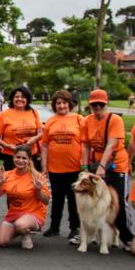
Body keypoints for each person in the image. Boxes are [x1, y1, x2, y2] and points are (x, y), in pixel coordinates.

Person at [81, 88, 133, 246]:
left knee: (119, 201)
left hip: (116, 164)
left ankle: (126, 235)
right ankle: (96, 233)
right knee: (95, 199)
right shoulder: (88, 120)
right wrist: (84, 166)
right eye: (94, 104)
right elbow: (85, 145)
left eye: (100, 104)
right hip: (97, 162)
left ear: (106, 104)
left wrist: (102, 166)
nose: (97, 107)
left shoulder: (115, 120)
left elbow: (111, 145)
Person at [41, 90, 84, 243]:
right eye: (58, 103)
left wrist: (84, 165)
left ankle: (75, 228)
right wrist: (44, 166)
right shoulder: (51, 121)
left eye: (64, 103)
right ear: (55, 105)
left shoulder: (79, 119)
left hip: (74, 167)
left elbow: (85, 143)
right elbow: (45, 145)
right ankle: (54, 226)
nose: (61, 106)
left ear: (69, 104)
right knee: (57, 199)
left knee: (74, 200)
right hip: (55, 168)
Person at [0, 146, 50, 250]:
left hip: (33, 213)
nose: (20, 160)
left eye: (24, 158)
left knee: (21, 224)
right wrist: (0, 184)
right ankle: (17, 230)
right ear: (13, 158)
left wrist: (38, 190)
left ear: (29, 160)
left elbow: (46, 201)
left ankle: (25, 234)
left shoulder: (36, 176)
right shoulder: (7, 175)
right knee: (1, 242)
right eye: (18, 157)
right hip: (14, 213)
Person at [0, 86, 43, 170]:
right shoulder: (4, 114)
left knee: (31, 181)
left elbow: (40, 132)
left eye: (23, 97)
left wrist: (34, 139)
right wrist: (6, 146)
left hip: (31, 155)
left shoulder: (33, 112)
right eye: (17, 97)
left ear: (27, 99)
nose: (20, 99)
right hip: (11, 156)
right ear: (12, 99)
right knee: (12, 181)